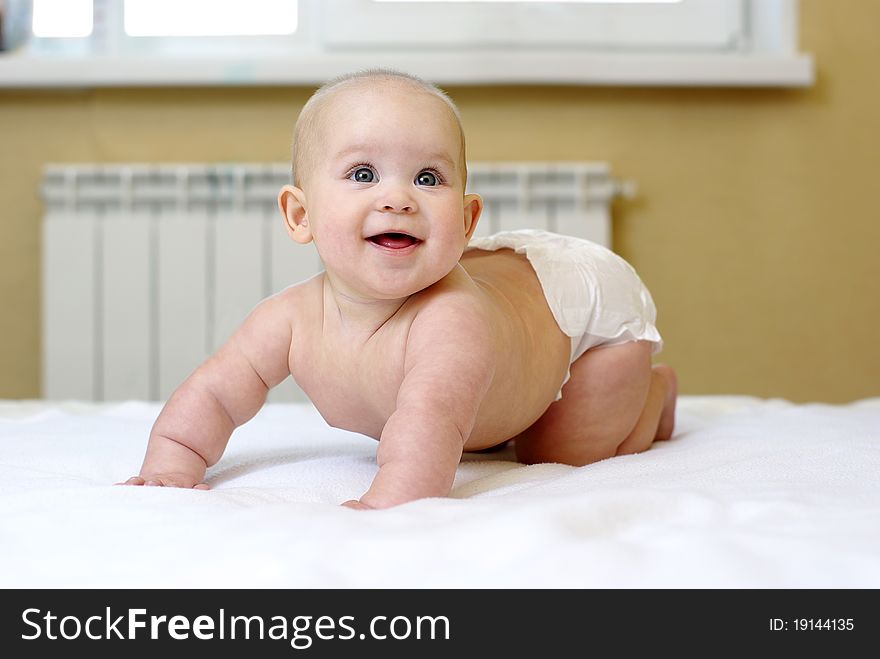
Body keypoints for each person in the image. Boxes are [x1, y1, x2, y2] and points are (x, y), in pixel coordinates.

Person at [119, 69, 677, 509]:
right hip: (505, 300)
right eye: (363, 174)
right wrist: (173, 461)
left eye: (428, 178)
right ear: (299, 214)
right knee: (483, 436)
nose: (398, 198)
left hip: (575, 320)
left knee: (556, 452)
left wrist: (392, 501)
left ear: (465, 220)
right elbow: (216, 392)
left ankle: (651, 395)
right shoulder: (288, 317)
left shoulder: (451, 320)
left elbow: (429, 426)